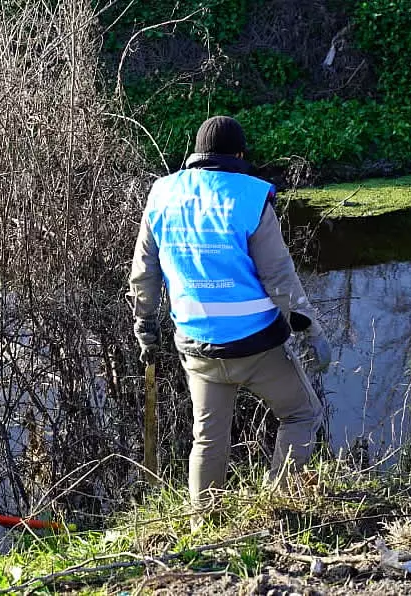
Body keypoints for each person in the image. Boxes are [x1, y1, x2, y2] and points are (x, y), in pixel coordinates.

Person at [127, 116, 331, 511]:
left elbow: (144, 271)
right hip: (257, 348)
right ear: (239, 155)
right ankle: (279, 504)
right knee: (301, 415)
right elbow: (279, 276)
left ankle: (202, 527)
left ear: (196, 156)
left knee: (207, 439)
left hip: (197, 348)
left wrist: (144, 324)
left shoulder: (162, 194)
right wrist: (309, 329)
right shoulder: (250, 197)